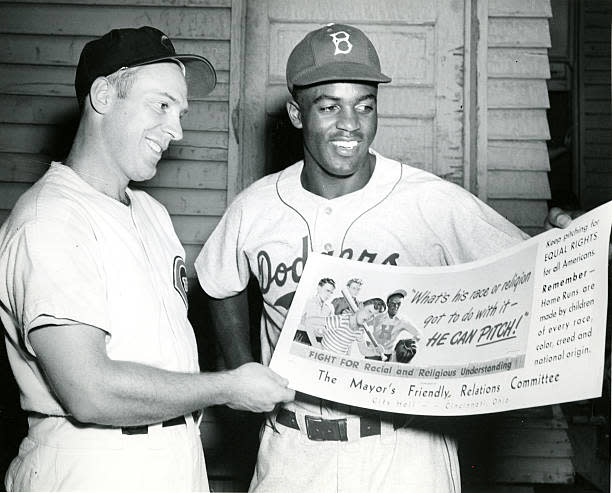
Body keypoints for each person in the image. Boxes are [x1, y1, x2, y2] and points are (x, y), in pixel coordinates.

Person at [195, 23, 574, 493]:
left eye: (364, 106)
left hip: (403, 451)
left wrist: (572, 245)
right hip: (293, 452)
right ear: (296, 114)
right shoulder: (257, 206)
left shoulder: (429, 201)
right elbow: (216, 280)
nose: (349, 124)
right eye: (329, 106)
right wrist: (240, 369)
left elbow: (528, 266)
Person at [0, 26, 293, 492]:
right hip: (94, 467)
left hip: (173, 458)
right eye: (161, 105)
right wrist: (228, 386)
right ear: (102, 96)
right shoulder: (50, 220)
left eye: (180, 112)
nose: (176, 130)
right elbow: (90, 391)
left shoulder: (152, 214)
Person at [303, 298, 386, 355]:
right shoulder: (341, 320)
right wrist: (315, 344)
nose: (369, 317)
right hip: (323, 355)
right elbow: (309, 321)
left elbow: (363, 350)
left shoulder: (360, 331)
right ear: (360, 306)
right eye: (369, 311)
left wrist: (374, 352)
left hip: (336, 361)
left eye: (373, 316)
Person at [363, 289, 423, 362]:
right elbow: (361, 324)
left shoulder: (403, 320)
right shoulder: (377, 317)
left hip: (388, 356)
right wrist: (364, 342)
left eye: (399, 303)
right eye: (393, 303)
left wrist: (410, 344)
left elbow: (418, 334)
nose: (396, 306)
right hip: (373, 353)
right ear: (388, 303)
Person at [295, 277, 335, 345]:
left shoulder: (330, 308)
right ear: (319, 288)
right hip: (302, 338)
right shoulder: (307, 302)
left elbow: (331, 327)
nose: (329, 295)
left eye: (331, 293)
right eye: (327, 291)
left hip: (319, 341)